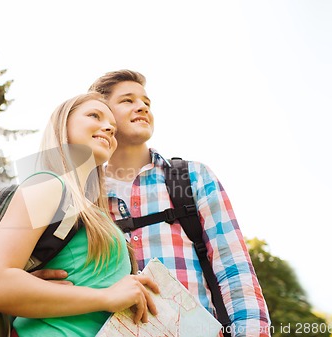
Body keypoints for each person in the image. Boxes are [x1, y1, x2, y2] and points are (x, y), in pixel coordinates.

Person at [84, 69, 272, 337]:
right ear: (100, 114)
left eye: (146, 103)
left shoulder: (192, 176)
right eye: (128, 100)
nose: (141, 107)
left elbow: (234, 269)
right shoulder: (81, 193)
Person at [0, 92, 159, 337]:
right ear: (63, 126)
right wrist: (105, 297)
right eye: (94, 115)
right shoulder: (48, 185)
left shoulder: (91, 210)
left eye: (112, 128)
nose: (109, 129)